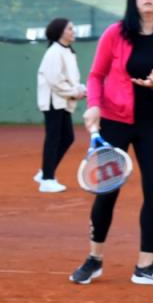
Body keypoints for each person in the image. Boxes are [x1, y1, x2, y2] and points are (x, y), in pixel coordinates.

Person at [70, 0, 153, 287]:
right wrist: (93, 106)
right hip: (114, 123)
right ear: (134, 0)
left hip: (151, 126)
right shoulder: (116, 34)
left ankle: (145, 265)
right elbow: (96, 75)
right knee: (106, 192)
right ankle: (94, 259)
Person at [34, 18, 86, 192]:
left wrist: (79, 89)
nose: (73, 31)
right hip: (52, 101)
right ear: (60, 32)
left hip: (62, 101)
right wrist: (75, 92)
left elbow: (70, 79)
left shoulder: (68, 52)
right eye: (70, 28)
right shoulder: (54, 52)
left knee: (67, 137)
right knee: (53, 138)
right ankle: (47, 179)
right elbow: (55, 81)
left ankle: (45, 172)